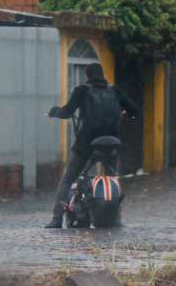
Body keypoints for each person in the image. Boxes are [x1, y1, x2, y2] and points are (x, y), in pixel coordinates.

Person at [44, 63, 138, 228]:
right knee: (112, 177)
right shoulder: (114, 91)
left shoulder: (82, 90)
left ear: (87, 77)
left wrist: (54, 112)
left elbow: (67, 112)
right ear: (104, 75)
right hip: (111, 143)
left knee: (68, 179)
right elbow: (134, 110)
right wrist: (123, 118)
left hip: (87, 143)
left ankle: (56, 219)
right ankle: (116, 217)